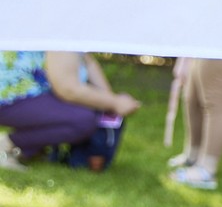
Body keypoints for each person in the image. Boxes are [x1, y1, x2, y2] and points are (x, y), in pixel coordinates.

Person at [0, 50, 140, 166]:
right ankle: (7, 145)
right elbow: (68, 90)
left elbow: (88, 61)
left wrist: (109, 99)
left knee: (89, 111)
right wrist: (114, 102)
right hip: (9, 96)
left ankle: (32, 149)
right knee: (81, 120)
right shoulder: (59, 30)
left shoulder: (70, 29)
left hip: (32, 94)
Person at [168, 58, 222, 190]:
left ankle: (207, 169)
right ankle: (193, 155)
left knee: (214, 104)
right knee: (192, 98)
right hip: (206, 46)